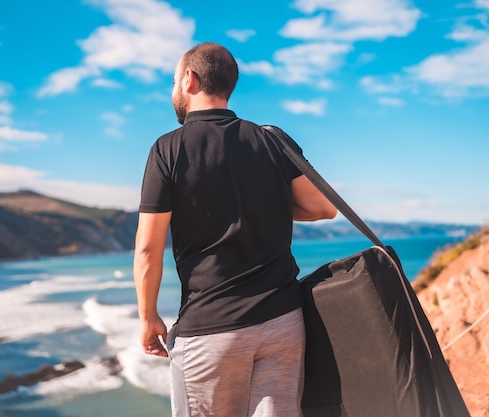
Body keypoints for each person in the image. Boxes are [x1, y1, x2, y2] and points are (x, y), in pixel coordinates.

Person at [134, 42, 337, 417]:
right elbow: (323, 207)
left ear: (189, 80)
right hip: (283, 322)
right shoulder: (272, 139)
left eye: (174, 80)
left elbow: (148, 249)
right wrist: (262, 204)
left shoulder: (167, 150)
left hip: (212, 329)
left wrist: (148, 318)